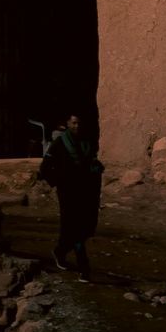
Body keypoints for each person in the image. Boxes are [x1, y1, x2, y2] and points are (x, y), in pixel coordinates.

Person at [37, 111, 103, 275]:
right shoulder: (59, 143)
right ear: (67, 124)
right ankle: (84, 268)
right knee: (74, 226)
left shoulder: (86, 142)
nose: (77, 126)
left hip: (85, 191)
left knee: (84, 226)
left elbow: (91, 162)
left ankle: (60, 251)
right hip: (67, 192)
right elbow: (45, 168)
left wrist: (95, 168)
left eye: (79, 123)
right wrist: (58, 181)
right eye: (73, 123)